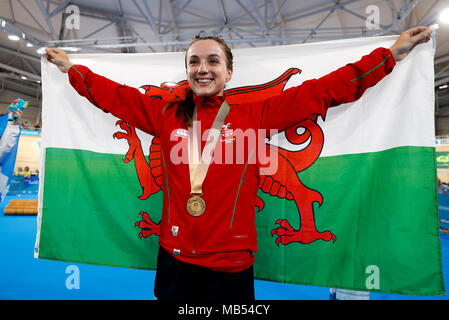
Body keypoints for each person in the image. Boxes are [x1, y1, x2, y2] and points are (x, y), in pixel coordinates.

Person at [44, 26, 432, 301]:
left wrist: (390, 56)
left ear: (228, 72)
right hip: (174, 257)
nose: (202, 68)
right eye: (194, 62)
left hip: (230, 264)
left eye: (213, 61)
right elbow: (115, 96)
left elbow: (323, 91)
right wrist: (71, 70)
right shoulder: (166, 115)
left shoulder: (254, 115)